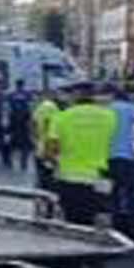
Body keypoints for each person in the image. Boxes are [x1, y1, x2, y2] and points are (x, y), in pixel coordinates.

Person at [47, 82, 117, 231]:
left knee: (73, 220)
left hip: (69, 176)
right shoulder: (109, 116)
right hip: (99, 176)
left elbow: (52, 149)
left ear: (74, 96)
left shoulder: (61, 117)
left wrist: (54, 164)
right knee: (98, 217)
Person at [106, 86, 134, 229]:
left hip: (109, 158)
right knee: (133, 195)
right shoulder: (131, 108)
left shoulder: (108, 109)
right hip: (127, 157)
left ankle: (116, 226)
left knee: (113, 195)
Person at [31, 89, 63, 190]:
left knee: (42, 177)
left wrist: (35, 140)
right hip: (49, 149)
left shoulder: (41, 107)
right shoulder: (50, 107)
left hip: (41, 147)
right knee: (49, 179)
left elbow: (33, 124)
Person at [5, 79, 36, 172]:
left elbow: (7, 108)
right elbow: (31, 107)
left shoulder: (10, 95)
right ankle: (23, 163)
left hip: (13, 122)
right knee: (25, 145)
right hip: (24, 122)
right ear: (23, 85)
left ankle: (9, 162)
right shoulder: (28, 95)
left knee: (11, 143)